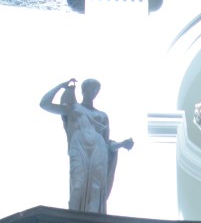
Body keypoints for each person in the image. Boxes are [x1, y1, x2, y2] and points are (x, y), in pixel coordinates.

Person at [40, 78, 133, 214]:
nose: (94, 92)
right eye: (92, 88)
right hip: (79, 146)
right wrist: (61, 86)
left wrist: (122, 144)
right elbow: (44, 104)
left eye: (97, 90)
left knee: (96, 188)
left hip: (99, 149)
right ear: (83, 90)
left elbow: (107, 144)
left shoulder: (102, 116)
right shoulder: (72, 107)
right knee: (78, 185)